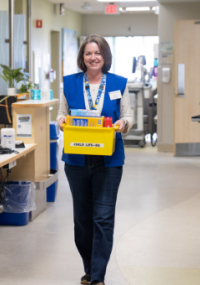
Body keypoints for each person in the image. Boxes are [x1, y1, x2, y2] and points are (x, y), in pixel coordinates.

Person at [57, 34, 134, 285]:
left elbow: (128, 115)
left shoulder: (119, 83)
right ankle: (90, 269)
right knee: (82, 220)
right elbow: (61, 114)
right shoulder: (69, 84)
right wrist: (61, 121)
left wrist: (123, 124)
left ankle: (97, 277)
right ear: (82, 57)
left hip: (109, 161)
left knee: (103, 217)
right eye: (88, 53)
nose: (93, 57)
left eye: (98, 53)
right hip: (77, 160)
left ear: (105, 56)